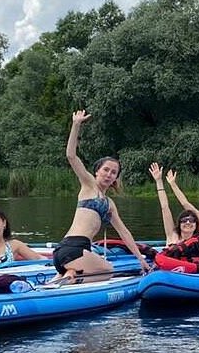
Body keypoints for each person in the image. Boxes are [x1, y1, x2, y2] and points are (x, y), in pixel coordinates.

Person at [50, 111, 151, 282]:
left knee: (79, 271)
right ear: (97, 171)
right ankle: (71, 279)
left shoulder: (109, 204)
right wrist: (76, 125)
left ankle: (62, 278)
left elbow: (124, 233)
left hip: (69, 253)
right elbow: (71, 156)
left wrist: (140, 258)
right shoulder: (89, 184)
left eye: (113, 172)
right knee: (107, 271)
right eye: (106, 170)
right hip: (72, 248)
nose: (109, 174)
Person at [149, 163, 199, 271]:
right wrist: (159, 181)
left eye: (191, 220)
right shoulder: (172, 235)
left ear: (196, 225)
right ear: (179, 224)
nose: (188, 223)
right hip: (169, 272)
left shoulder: (198, 240)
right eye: (184, 220)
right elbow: (165, 207)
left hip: (191, 274)